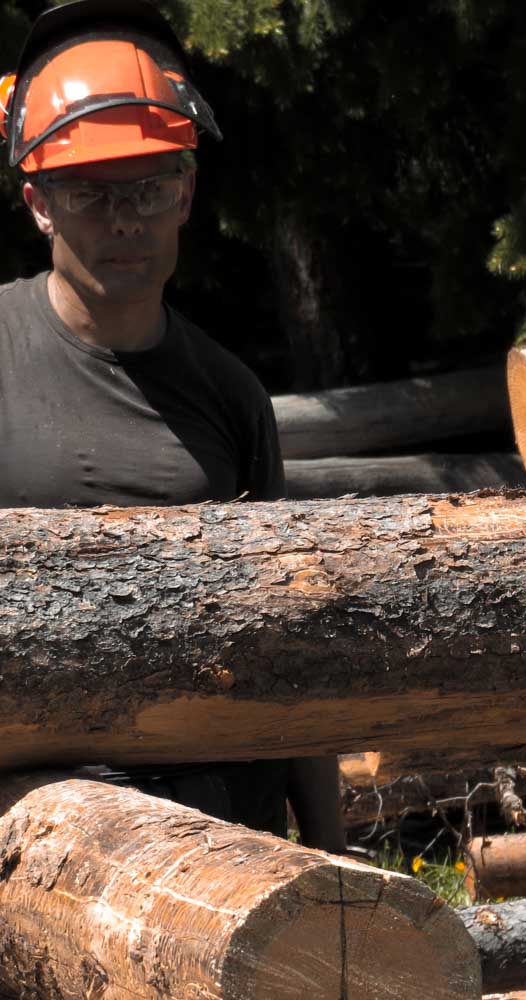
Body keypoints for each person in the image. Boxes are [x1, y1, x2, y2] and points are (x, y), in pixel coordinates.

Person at [0, 0, 344, 853]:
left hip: (221, 835)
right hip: (32, 837)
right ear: (38, 200)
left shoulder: (229, 395)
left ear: (185, 191)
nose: (124, 220)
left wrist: (329, 847)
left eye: (150, 188)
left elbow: (286, 639)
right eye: (89, 192)